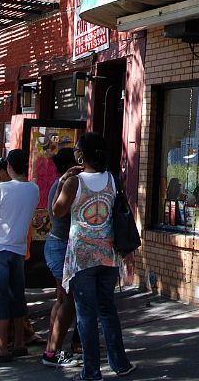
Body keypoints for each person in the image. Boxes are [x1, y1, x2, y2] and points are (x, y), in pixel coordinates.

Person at [55, 132, 135, 379]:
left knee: (86, 314)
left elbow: (57, 211)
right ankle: (119, 363)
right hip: (108, 254)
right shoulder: (112, 179)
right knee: (107, 309)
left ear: (81, 154)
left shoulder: (74, 182)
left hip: (82, 257)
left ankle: (91, 371)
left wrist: (62, 182)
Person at [0, 149, 39, 363]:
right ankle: (20, 342)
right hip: (19, 248)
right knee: (17, 296)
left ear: (9, 167)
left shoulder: (2, 188)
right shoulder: (34, 189)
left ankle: (3, 347)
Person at [42, 147, 82, 367]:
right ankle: (52, 351)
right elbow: (59, 213)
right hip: (61, 245)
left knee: (62, 299)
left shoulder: (62, 184)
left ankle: (52, 348)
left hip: (59, 245)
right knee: (67, 300)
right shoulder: (66, 185)